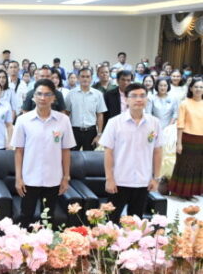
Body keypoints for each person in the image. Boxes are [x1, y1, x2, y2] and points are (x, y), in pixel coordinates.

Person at [11, 79, 75, 228]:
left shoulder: (63, 120)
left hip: (53, 179)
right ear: (33, 96)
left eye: (47, 94)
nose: (43, 98)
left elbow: (66, 151)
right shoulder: (23, 120)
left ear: (54, 98)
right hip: (29, 179)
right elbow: (19, 151)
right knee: (25, 217)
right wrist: (18, 178)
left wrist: (66, 177)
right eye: (39, 94)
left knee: (48, 218)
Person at [99, 83, 162, 223]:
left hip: (143, 181)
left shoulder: (154, 123)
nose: (139, 99)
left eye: (142, 96)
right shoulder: (114, 122)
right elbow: (108, 153)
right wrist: (109, 179)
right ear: (126, 99)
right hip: (119, 181)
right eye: (134, 96)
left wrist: (156, 178)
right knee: (110, 222)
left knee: (136, 223)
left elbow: (157, 151)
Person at [169, 78, 203, 199]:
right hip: (187, 139)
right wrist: (179, 143)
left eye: (201, 87)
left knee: (198, 166)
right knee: (185, 165)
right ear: (191, 88)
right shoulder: (184, 103)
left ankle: (192, 192)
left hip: (201, 140)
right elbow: (180, 124)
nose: (198, 89)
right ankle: (181, 192)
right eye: (196, 87)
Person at [64, 68, 107, 151]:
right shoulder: (71, 94)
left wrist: (99, 134)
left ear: (91, 78)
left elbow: (100, 115)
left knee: (90, 157)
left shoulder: (98, 94)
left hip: (91, 131)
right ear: (78, 78)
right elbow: (66, 114)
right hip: (74, 131)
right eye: (82, 76)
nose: (85, 79)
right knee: (72, 156)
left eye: (87, 76)